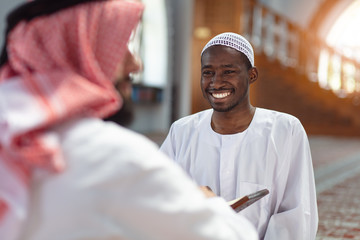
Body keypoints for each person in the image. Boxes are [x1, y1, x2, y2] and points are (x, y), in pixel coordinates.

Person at [0, 2, 259, 240]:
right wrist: (207, 203)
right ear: (81, 48)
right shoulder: (110, 157)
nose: (135, 65)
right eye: (120, 44)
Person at [160, 32, 319, 239]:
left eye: (228, 72)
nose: (216, 82)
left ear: (251, 75)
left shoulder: (285, 130)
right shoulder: (181, 131)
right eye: (208, 72)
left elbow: (297, 214)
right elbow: (158, 195)